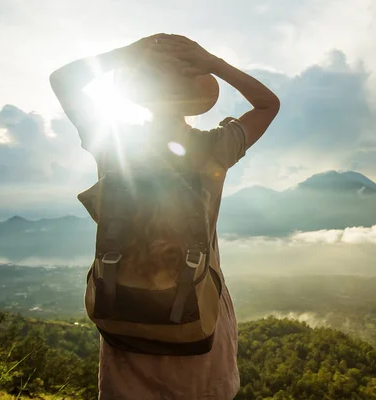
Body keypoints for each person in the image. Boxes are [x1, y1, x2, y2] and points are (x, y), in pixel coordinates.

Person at [49, 33, 280, 400]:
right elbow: (268, 104)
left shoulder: (113, 144)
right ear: (194, 100)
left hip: (124, 311)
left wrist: (127, 54)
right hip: (194, 313)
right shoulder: (214, 147)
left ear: (140, 94)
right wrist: (215, 63)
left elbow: (61, 79)